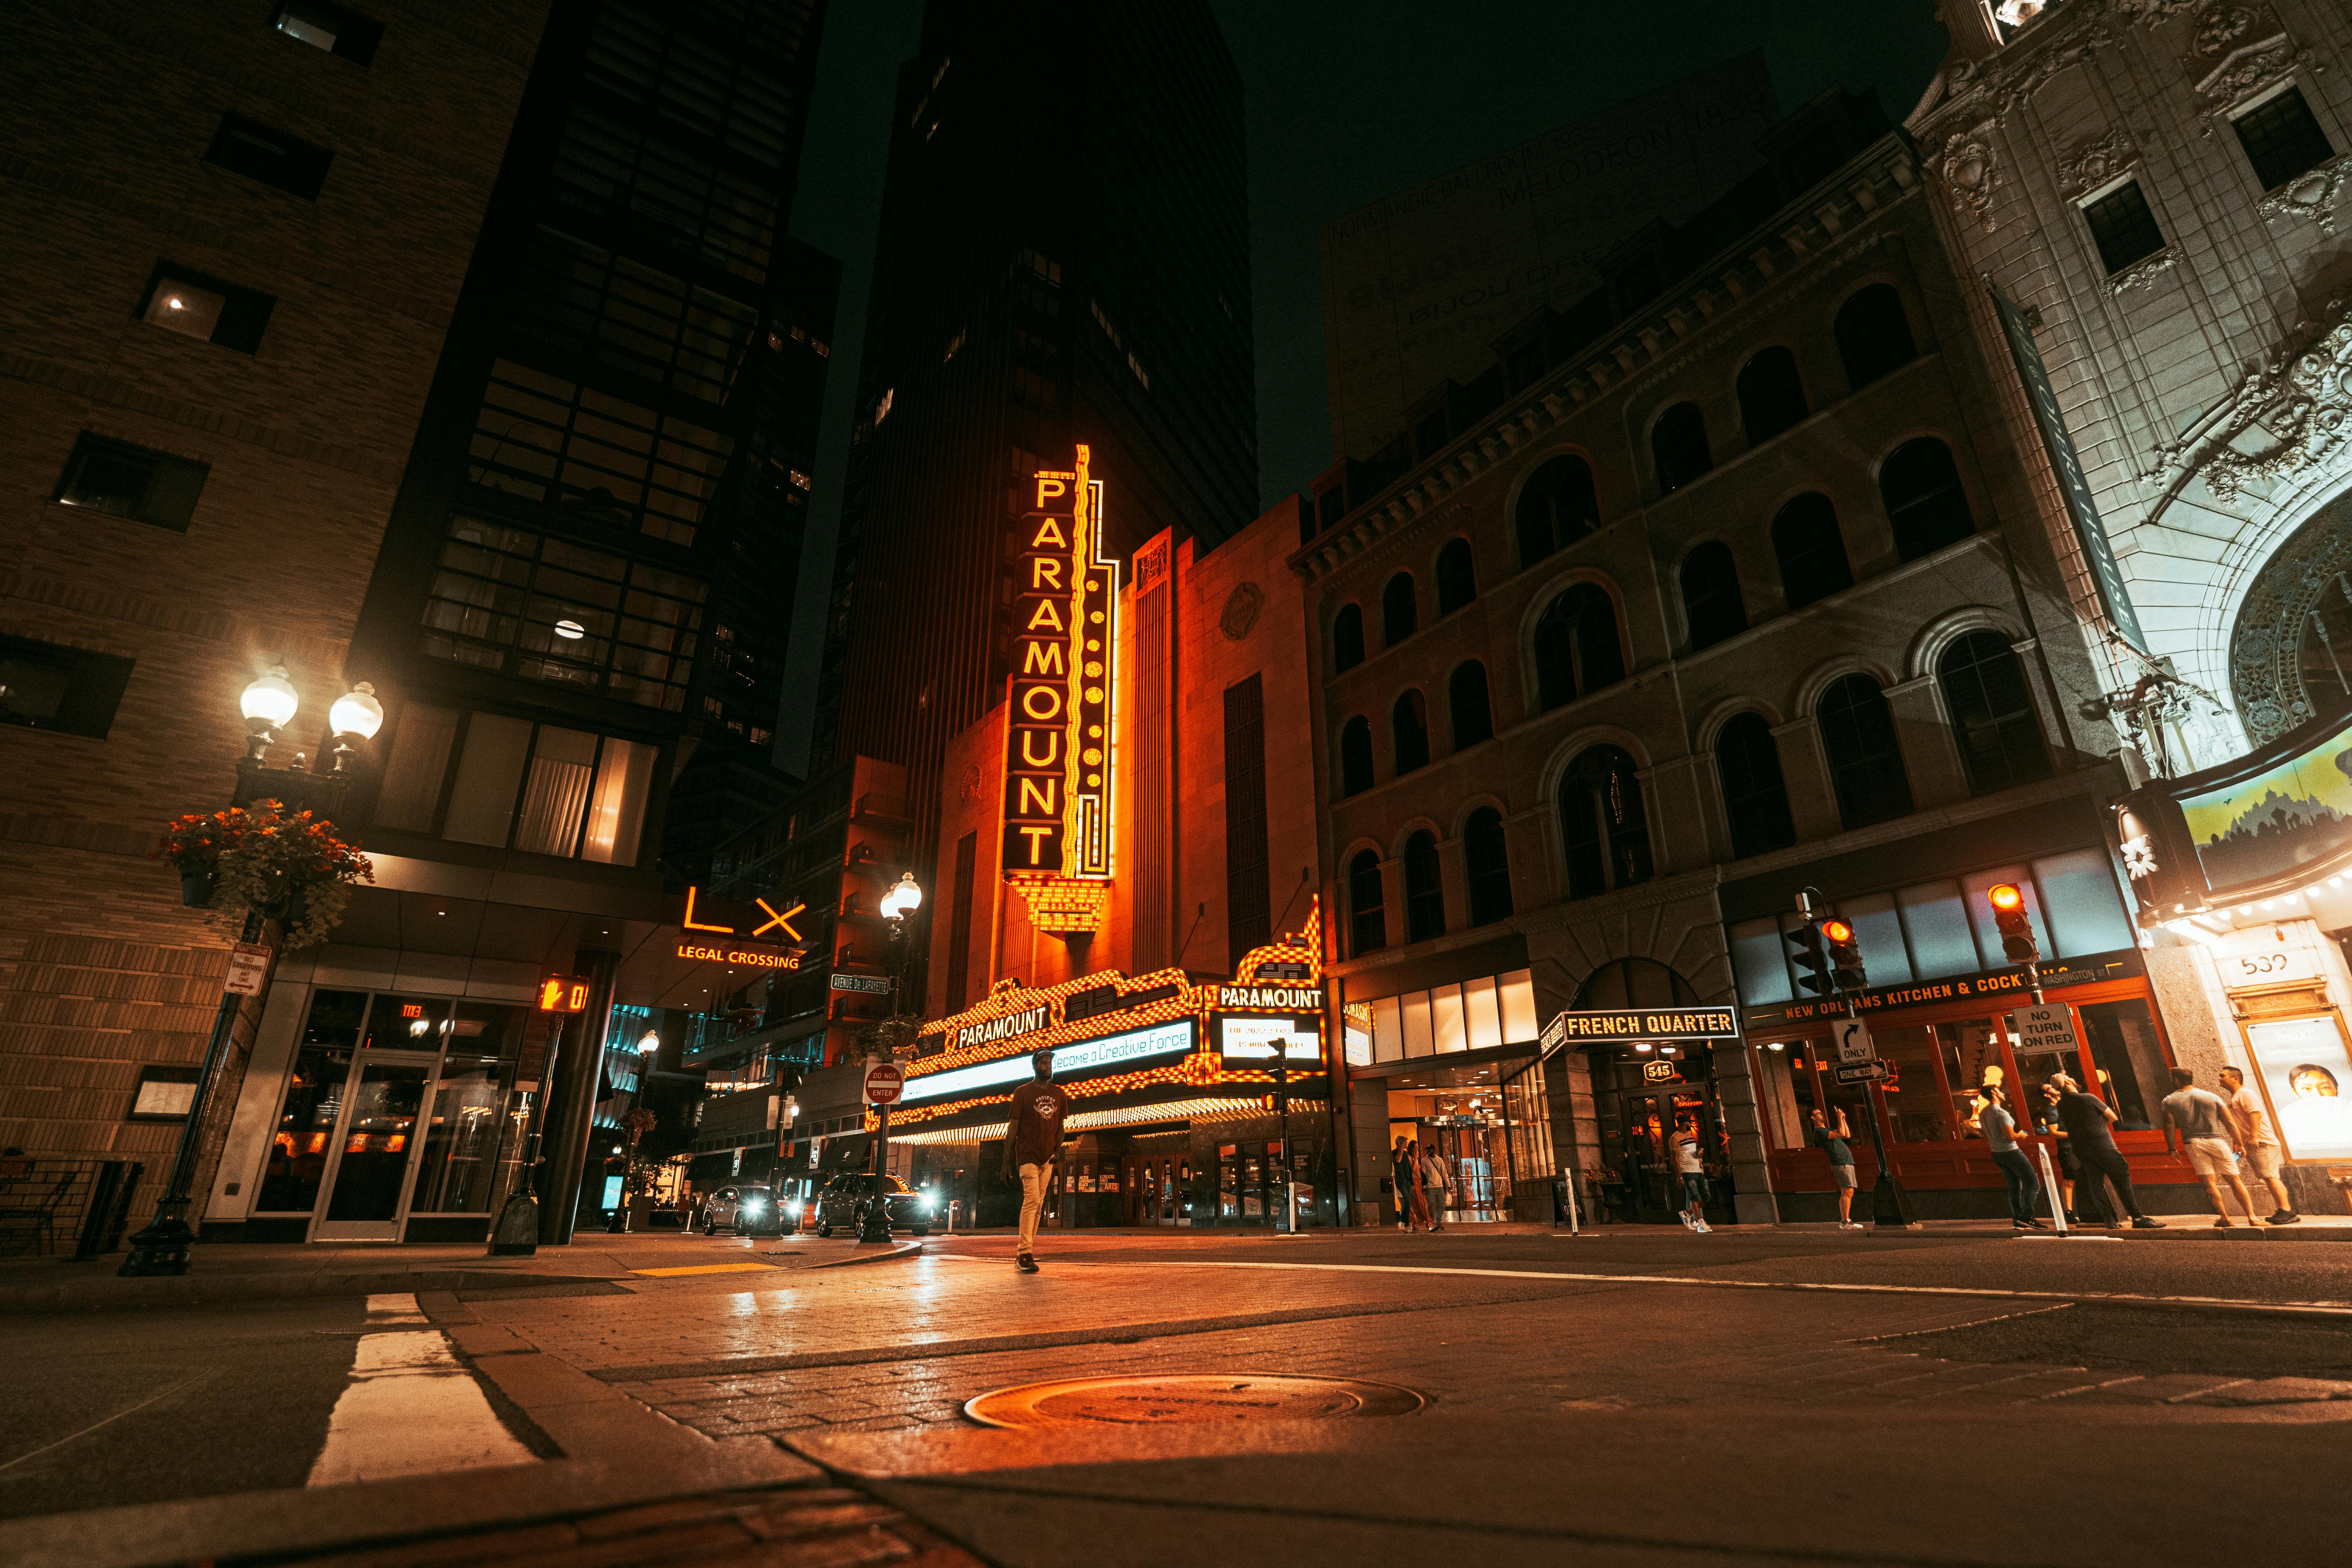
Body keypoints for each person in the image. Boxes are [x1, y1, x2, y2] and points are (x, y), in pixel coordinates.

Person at [2051, 1072, 2160, 1229]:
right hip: (2103, 1146)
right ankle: (2137, 1218)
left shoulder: (2061, 1105)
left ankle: (2109, 1219)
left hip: (2081, 1148)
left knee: (2096, 1183)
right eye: (2070, 1078)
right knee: (2122, 1180)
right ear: (2068, 1082)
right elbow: (2112, 1117)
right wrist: (2099, 1124)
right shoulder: (2088, 1098)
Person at [2161, 1066, 2261, 1229]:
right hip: (2217, 1141)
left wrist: (2172, 1147)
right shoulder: (2211, 1097)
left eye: (2172, 1078)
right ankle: (2252, 1217)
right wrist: (2239, 1143)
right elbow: (2229, 1122)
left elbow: (2169, 1124)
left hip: (2193, 1143)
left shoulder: (2169, 1101)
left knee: (2209, 1183)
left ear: (2177, 1080)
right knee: (2235, 1180)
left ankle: (2225, 1218)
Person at [999, 1048, 1071, 1272]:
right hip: (1027, 1156)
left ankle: (1026, 1252)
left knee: (1039, 1204)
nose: (1047, 1065)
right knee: (1032, 1200)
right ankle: (1024, 1253)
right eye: (1043, 1062)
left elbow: (1060, 1127)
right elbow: (1013, 1129)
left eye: (1049, 1062)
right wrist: (1006, 1162)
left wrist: (1057, 1151)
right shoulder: (1022, 1092)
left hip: (1047, 1158)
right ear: (1034, 1065)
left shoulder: (1060, 1094)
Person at [2219, 1065, 2299, 1225]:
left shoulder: (2245, 1094)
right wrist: (2239, 1143)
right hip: (2253, 1144)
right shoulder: (2235, 1096)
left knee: (2271, 1177)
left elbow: (2255, 1113)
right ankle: (2282, 1210)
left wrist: (2254, 1137)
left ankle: (2287, 1211)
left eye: (2223, 1076)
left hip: (2262, 1142)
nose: (2220, 1078)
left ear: (2236, 1078)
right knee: (2267, 1177)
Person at [1979, 1085, 2047, 1230]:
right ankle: (2027, 1217)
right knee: (2033, 1184)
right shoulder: (2000, 1113)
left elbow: (1988, 1135)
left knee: (2014, 1188)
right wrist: (2021, 1134)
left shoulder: (1984, 1113)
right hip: (2011, 1152)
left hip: (1997, 1154)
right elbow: (2009, 1136)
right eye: (2000, 1090)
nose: (2003, 1093)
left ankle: (2018, 1219)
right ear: (1994, 1092)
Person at [1808, 1106, 1862, 1229]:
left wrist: (1843, 1119)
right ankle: (1845, 1222)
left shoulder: (1826, 1130)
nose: (1822, 1114)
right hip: (1840, 1163)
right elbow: (1842, 1133)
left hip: (1845, 1162)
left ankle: (1846, 1221)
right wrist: (1839, 1118)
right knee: (1847, 1191)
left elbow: (1846, 1135)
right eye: (1819, 1113)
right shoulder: (1820, 1132)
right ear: (1813, 1118)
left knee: (1849, 1191)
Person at [2037, 1082, 2082, 1222]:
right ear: (2047, 1095)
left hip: (2080, 1145)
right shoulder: (2051, 1111)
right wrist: (2073, 1134)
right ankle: (2068, 1213)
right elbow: (2053, 1133)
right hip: (2067, 1148)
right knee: (2069, 1180)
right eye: (2050, 1088)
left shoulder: (2067, 1104)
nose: (2054, 1088)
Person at [1670, 1117, 1712, 1233]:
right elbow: (1675, 1159)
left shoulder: (1690, 1135)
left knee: (1706, 1197)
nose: (1690, 1124)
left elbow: (1690, 1152)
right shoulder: (1675, 1138)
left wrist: (1698, 1156)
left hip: (1697, 1169)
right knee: (1693, 1196)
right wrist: (1679, 1177)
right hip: (1686, 1171)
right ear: (1685, 1123)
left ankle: (1687, 1214)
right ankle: (1700, 1223)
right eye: (1689, 1122)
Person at [1421, 1143, 1451, 1232]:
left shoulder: (1440, 1160)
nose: (1429, 1151)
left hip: (1439, 1185)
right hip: (1430, 1186)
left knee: (1441, 1204)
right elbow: (1424, 1175)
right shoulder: (1424, 1160)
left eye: (1430, 1149)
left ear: (1434, 1150)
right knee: (1430, 1204)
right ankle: (1431, 1222)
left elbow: (1444, 1173)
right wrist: (1424, 1186)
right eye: (1427, 1149)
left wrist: (1448, 1185)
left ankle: (1438, 1222)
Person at [1391, 1135, 1414, 1230]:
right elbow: (1398, 1160)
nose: (1407, 1144)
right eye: (1405, 1143)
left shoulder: (1406, 1154)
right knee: (1407, 1199)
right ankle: (1402, 1221)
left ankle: (1406, 1223)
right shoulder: (1394, 1152)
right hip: (1400, 1181)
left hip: (1408, 1180)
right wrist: (1400, 1149)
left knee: (1408, 1201)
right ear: (1401, 1144)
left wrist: (1412, 1182)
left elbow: (1409, 1168)